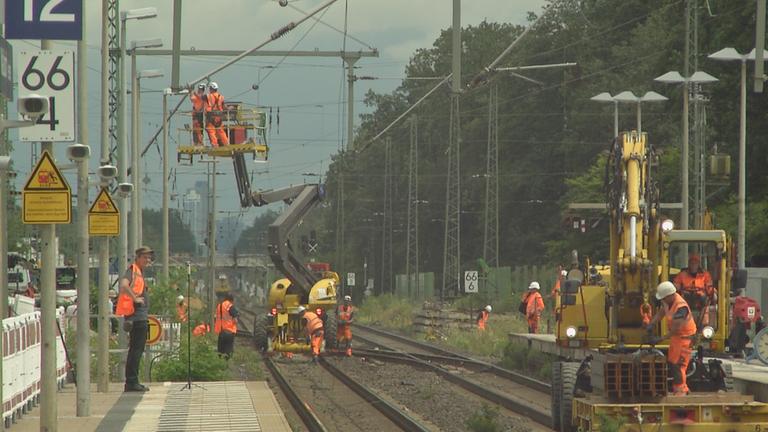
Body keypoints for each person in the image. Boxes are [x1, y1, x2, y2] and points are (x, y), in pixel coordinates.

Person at [646, 281, 697, 395]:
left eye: (663, 298)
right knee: (672, 362)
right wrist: (652, 323)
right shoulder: (667, 301)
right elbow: (662, 312)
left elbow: (675, 329)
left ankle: (681, 390)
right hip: (677, 338)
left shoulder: (681, 308)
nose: (662, 300)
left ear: (670, 295)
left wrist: (660, 339)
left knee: (679, 366)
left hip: (685, 338)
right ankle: (682, 388)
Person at [115, 246, 153, 392]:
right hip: (136, 316)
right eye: (144, 257)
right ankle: (131, 382)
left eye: (149, 257)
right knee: (136, 350)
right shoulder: (133, 270)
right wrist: (135, 298)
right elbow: (124, 285)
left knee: (136, 350)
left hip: (138, 316)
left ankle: (132, 381)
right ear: (137, 258)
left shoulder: (139, 272)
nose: (147, 260)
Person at [673, 254, 714, 325]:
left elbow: (709, 286)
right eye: (692, 263)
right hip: (686, 295)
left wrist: (711, 293)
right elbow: (676, 284)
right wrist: (677, 288)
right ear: (689, 264)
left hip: (701, 296)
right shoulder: (682, 274)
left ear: (698, 264)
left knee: (706, 300)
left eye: (695, 263)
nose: (693, 265)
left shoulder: (705, 275)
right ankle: (683, 322)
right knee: (679, 301)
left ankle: (703, 323)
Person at [214, 293, 239, 359]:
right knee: (228, 350)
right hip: (229, 331)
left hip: (221, 331)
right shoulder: (230, 306)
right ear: (231, 300)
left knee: (220, 350)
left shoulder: (219, 306)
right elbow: (235, 320)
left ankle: (220, 364)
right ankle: (226, 364)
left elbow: (216, 317)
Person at [205, 82, 229, 147]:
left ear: (211, 88)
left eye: (210, 88)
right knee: (220, 131)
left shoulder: (209, 96)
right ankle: (226, 143)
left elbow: (201, 98)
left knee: (211, 130)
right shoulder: (221, 96)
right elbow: (224, 106)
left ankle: (215, 144)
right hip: (219, 117)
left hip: (211, 116)